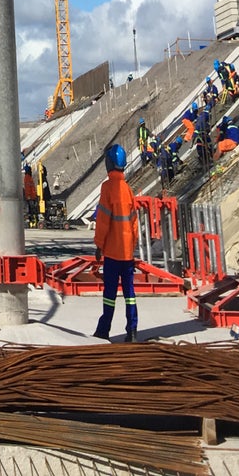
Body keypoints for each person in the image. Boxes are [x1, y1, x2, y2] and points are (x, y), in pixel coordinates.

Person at [93, 143, 138, 343]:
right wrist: (132, 246)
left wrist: (99, 245)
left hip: (112, 251)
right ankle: (133, 330)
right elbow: (134, 223)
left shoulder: (107, 187)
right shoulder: (128, 190)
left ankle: (104, 330)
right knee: (130, 294)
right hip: (127, 253)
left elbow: (103, 221)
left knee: (109, 293)